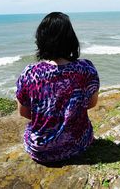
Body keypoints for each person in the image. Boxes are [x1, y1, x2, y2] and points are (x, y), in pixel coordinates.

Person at [16, 12, 100, 163]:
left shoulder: (29, 73)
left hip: (40, 150)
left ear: (41, 40)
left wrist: (49, 116)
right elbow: (91, 103)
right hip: (77, 144)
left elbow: (24, 112)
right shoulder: (86, 69)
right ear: (71, 39)